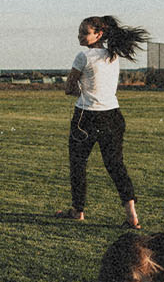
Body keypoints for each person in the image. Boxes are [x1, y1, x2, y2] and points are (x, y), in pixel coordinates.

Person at [58, 14, 151, 228]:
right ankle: (132, 217)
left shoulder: (83, 56)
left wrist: (82, 90)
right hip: (113, 116)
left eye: (84, 32)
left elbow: (69, 89)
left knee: (78, 164)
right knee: (115, 165)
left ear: (99, 34)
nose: (79, 36)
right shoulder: (113, 55)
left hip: (86, 117)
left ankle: (77, 210)